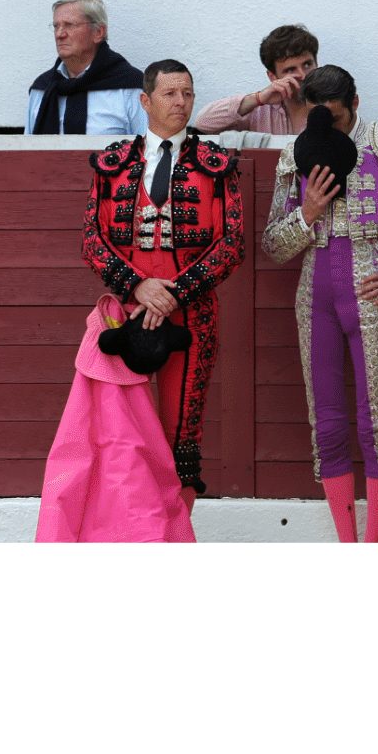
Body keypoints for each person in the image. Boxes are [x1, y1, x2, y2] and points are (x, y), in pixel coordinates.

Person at [261, 66, 378, 543]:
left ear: (355, 104)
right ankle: (347, 545)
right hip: (312, 295)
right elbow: (273, 246)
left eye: (335, 118)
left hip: (371, 291)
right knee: (328, 425)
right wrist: (307, 214)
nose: (326, 129)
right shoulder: (295, 154)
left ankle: (374, 546)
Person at [82, 60, 246, 501]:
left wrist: (171, 295)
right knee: (121, 433)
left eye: (188, 94)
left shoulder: (217, 165)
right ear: (145, 100)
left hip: (190, 315)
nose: (181, 102)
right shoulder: (112, 164)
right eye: (171, 93)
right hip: (124, 313)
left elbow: (232, 245)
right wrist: (138, 287)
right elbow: (92, 241)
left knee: (182, 438)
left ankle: (174, 539)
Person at [26, 0, 147, 135]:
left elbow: (147, 149)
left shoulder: (131, 87)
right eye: (56, 26)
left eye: (69, 25)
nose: (59, 34)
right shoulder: (42, 88)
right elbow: (27, 151)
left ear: (98, 32)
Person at [192, 23, 320, 135]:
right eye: (290, 70)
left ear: (317, 63)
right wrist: (258, 99)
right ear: (273, 77)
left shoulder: (331, 104)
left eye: (308, 64)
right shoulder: (260, 111)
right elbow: (202, 122)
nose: (303, 76)